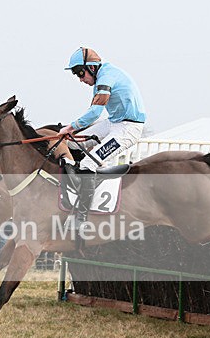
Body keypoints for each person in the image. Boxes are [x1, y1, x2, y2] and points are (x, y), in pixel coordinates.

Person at [59, 47, 146, 226]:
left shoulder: (106, 77)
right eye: (76, 75)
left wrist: (70, 127)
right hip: (113, 123)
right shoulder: (100, 77)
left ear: (91, 67)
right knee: (72, 144)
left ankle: (80, 218)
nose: (80, 79)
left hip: (128, 128)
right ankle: (90, 174)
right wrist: (71, 132)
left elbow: (94, 113)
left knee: (87, 163)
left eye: (80, 73)